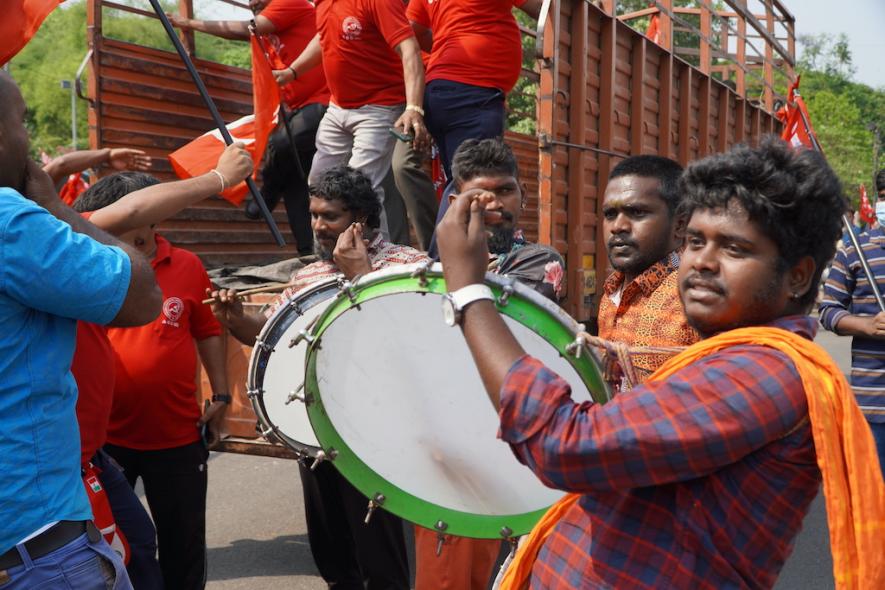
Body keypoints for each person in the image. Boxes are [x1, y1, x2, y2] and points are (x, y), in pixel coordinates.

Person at [436, 137, 885, 587]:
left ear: (799, 276)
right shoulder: (727, 351)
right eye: (695, 241)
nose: (702, 263)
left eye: (734, 249)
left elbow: (566, 445)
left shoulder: (766, 370)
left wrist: (470, 293)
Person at [210, 166, 425, 589]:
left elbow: (418, 338)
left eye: (330, 217)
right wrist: (236, 319)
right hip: (315, 433)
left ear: (360, 220)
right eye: (313, 215)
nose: (318, 226)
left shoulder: (409, 265)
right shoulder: (308, 275)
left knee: (381, 560)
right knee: (333, 554)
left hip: (378, 438)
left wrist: (359, 272)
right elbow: (267, 333)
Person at [0, 71, 161, 589]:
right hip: (36, 546)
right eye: (21, 121)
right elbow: (141, 297)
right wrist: (52, 208)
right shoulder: (11, 224)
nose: (28, 140)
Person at [69, 142, 252, 588]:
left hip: (175, 436)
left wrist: (222, 395)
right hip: (107, 443)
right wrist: (219, 177)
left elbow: (208, 330)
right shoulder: (94, 264)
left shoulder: (187, 266)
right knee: (121, 546)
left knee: (181, 544)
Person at [412, 138, 564, 590]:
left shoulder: (541, 261)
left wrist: (460, 270)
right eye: (481, 194)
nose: (495, 203)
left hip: (516, 445)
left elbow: (496, 316)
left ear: (522, 196)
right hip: (451, 445)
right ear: (456, 201)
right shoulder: (424, 270)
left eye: (506, 190)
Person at [168, 0, 330, 253]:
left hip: (325, 101)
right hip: (296, 107)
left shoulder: (289, 4)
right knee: (295, 178)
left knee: (281, 144)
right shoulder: (270, 26)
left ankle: (266, 193)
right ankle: (307, 251)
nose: (251, 2)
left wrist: (189, 23)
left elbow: (245, 28)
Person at [273, 0, 429, 239]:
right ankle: (329, 255)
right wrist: (292, 71)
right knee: (318, 182)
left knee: (361, 187)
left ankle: (377, 259)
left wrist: (413, 107)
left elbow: (409, 49)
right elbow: (324, 38)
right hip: (338, 108)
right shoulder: (324, 3)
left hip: (379, 106)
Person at [407, 0, 542, 247]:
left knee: (459, 180)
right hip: (473, 91)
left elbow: (412, 28)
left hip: (439, 90)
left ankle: (445, 259)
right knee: (474, 181)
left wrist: (450, 45)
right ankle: (443, 262)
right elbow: (545, 9)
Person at [597, 155, 698, 391]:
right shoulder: (611, 294)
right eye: (610, 214)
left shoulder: (695, 298)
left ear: (680, 225)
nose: (618, 226)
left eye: (637, 212)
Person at [820, 168, 885, 476]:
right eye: (884, 197)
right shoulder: (855, 250)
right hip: (873, 404)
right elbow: (828, 309)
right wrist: (867, 326)